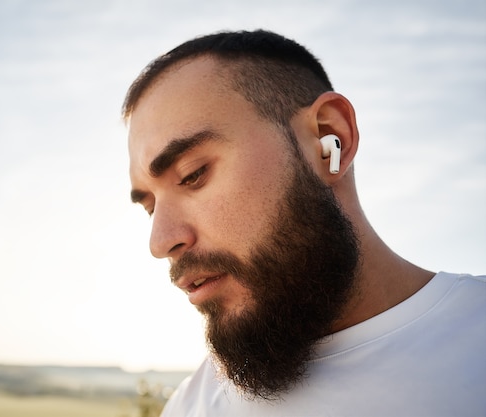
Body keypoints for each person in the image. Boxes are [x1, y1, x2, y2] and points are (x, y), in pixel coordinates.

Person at [122, 29, 485, 416]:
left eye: (193, 174)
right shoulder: (191, 406)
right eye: (149, 207)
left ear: (330, 138)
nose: (160, 242)